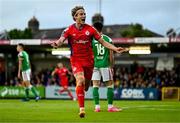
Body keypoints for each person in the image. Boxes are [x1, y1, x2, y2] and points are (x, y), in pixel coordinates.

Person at [51, 6, 128, 118]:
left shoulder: (91, 29)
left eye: (84, 13)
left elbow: (103, 42)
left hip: (89, 62)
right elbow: (61, 39)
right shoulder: (68, 30)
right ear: (75, 17)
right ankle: (82, 109)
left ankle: (85, 91)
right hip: (76, 60)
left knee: (86, 86)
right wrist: (57, 44)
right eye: (81, 14)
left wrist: (115, 48)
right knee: (80, 80)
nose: (83, 16)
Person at [92, 22, 127, 112]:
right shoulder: (108, 39)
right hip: (105, 65)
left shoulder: (92, 39)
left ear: (94, 29)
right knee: (110, 85)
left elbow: (91, 54)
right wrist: (112, 66)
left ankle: (97, 107)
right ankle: (110, 107)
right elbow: (111, 55)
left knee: (95, 86)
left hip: (95, 65)